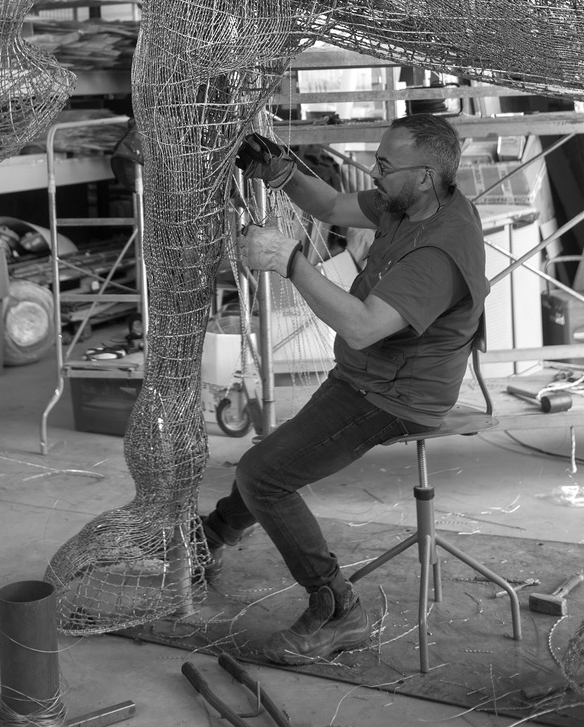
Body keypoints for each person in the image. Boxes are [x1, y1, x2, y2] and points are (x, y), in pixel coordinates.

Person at [202, 113, 488, 665]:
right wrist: (281, 173)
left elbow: (359, 325)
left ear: (426, 175)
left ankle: (337, 607)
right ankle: (211, 537)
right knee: (271, 462)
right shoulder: (409, 201)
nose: (373, 173)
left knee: (263, 474)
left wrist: (290, 262)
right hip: (366, 374)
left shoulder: (439, 250)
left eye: (384, 165)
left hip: (397, 396)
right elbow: (332, 207)